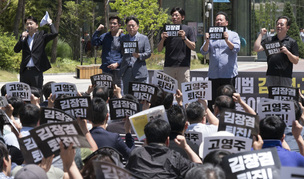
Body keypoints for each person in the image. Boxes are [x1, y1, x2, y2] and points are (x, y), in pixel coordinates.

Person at [125, 119, 202, 178]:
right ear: (167, 141)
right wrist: (186, 147)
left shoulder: (136, 155)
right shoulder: (175, 158)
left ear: (146, 140)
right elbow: (201, 170)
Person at [200, 11, 240, 111]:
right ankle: (213, 121)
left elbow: (236, 49)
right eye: (217, 20)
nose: (218, 22)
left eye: (221, 20)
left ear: (226, 22)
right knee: (213, 100)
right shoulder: (211, 35)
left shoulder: (233, 34)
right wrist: (207, 41)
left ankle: (228, 120)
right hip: (214, 74)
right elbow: (203, 51)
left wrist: (227, 40)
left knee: (228, 100)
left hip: (228, 74)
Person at [14, 16, 58, 89]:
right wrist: (21, 38)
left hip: (36, 71)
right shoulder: (24, 37)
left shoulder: (42, 35)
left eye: (31, 24)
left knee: (37, 93)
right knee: (24, 95)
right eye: (27, 24)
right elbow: (16, 50)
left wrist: (50, 23)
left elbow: (54, 33)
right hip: (25, 71)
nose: (29, 26)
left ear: (36, 25)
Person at [253, 16, 299, 87]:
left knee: (285, 97)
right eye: (277, 24)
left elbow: (296, 61)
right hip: (271, 75)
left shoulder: (291, 42)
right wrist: (261, 34)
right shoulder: (269, 40)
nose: (278, 26)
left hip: (285, 76)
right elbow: (256, 48)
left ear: (287, 27)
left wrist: (287, 52)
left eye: (281, 24)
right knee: (272, 97)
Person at [157, 7, 196, 89]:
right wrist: (163, 39)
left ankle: (182, 103)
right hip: (169, 66)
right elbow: (159, 49)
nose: (174, 17)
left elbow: (193, 46)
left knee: (184, 92)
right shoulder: (166, 29)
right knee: (167, 92)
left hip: (183, 66)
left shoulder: (188, 29)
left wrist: (184, 38)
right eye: (172, 15)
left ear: (182, 17)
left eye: (176, 15)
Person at [120, 16, 151, 94]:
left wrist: (139, 55)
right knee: (127, 96)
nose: (131, 28)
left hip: (139, 71)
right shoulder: (123, 38)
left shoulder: (144, 38)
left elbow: (148, 53)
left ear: (137, 26)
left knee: (140, 96)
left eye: (133, 26)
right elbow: (119, 52)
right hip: (127, 71)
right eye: (128, 26)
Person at [91, 16, 124, 88]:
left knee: (118, 90)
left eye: (114, 23)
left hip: (118, 69)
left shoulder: (123, 38)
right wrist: (97, 30)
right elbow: (94, 43)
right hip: (106, 68)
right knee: (106, 90)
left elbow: (126, 55)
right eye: (110, 23)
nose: (112, 25)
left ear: (119, 25)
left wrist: (117, 64)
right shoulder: (105, 36)